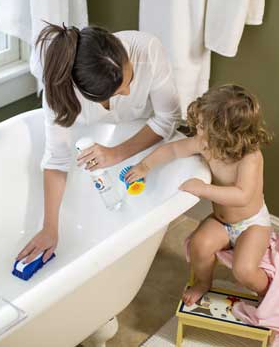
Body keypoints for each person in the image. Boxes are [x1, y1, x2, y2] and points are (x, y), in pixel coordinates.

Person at [17, 22, 181, 264]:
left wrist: (116, 154)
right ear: (86, 93)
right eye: (115, 92)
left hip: (144, 136)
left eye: (131, 77)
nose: (127, 92)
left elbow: (169, 118)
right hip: (98, 137)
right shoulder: (60, 92)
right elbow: (57, 158)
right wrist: (50, 227)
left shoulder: (147, 50)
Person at [125, 84, 273, 305]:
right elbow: (174, 149)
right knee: (199, 245)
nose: (198, 131)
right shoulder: (206, 143)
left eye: (204, 127)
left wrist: (203, 189)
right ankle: (204, 282)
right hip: (222, 222)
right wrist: (145, 167)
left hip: (252, 224)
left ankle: (269, 292)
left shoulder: (250, 158)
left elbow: (242, 196)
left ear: (226, 134)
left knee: (244, 272)